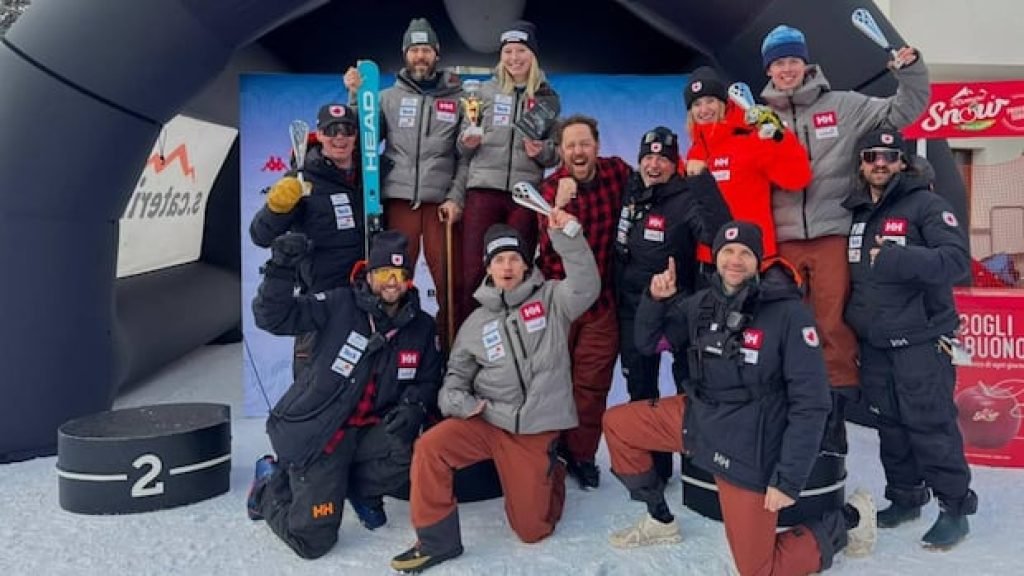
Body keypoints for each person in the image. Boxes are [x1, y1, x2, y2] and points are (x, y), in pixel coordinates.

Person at [604, 221, 877, 575]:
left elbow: (811, 402)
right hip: (699, 417)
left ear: (758, 261)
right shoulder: (701, 302)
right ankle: (658, 517)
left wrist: (789, 479)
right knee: (618, 424)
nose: (735, 260)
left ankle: (851, 519)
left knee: (758, 570)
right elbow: (650, 343)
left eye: (745, 253)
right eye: (728, 251)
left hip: (749, 441)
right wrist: (655, 300)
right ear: (716, 257)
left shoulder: (789, 314)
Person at [390, 211, 599, 573]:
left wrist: (566, 235)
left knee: (532, 531)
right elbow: (454, 378)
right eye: (499, 260)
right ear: (488, 267)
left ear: (525, 263)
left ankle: (554, 469)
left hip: (535, 428)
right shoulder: (476, 323)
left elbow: (586, 286)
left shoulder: (552, 298)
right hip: (489, 420)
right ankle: (436, 541)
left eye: (514, 259)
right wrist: (460, 402)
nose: (507, 267)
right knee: (430, 447)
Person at [759, 23, 930, 453]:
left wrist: (910, 72)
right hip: (780, 240)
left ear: (806, 63)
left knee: (832, 324)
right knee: (785, 328)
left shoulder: (845, 106)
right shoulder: (757, 118)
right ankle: (788, 415)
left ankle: (833, 422)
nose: (786, 69)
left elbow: (902, 111)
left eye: (792, 60)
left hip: (833, 231)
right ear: (769, 70)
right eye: (778, 63)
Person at [247, 230, 443, 559]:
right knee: (312, 542)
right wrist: (280, 268)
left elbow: (427, 380)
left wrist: (414, 406)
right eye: (384, 274)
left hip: (369, 432)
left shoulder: (420, 325)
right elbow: (273, 317)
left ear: (409, 280)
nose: (392, 282)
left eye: (399, 274)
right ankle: (268, 482)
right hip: (321, 435)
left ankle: (357, 490)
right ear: (369, 275)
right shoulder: (339, 303)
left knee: (420, 449)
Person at [843, 128, 977, 549]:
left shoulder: (927, 204)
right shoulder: (859, 213)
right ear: (862, 164)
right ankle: (905, 498)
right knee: (891, 426)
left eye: (889, 156)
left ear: (903, 162)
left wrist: (900, 258)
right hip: (877, 343)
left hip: (921, 340)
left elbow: (955, 260)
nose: (879, 163)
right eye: (871, 156)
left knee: (930, 424)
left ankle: (955, 508)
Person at [614, 126, 730, 480]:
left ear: (674, 163)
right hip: (633, 309)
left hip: (677, 310)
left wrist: (703, 183)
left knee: (687, 386)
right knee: (641, 390)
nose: (653, 165)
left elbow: (718, 232)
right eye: (647, 157)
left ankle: (697, 470)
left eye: (662, 159)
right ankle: (653, 469)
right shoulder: (629, 191)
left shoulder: (685, 198)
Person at [344, 17, 467, 346]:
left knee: (449, 282)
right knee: (392, 277)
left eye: (426, 49)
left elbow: (465, 156)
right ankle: (393, 346)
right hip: (398, 199)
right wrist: (356, 97)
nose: (420, 56)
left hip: (440, 202)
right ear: (404, 54)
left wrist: (456, 197)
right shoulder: (386, 97)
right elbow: (365, 137)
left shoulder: (458, 98)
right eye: (414, 50)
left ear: (437, 54)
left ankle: (451, 350)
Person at [538, 114, 631, 489]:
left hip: (603, 302)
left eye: (585, 144)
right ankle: (546, 451)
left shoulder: (617, 173)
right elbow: (545, 251)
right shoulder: (548, 191)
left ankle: (581, 454)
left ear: (597, 146)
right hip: (561, 303)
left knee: (591, 385)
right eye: (571, 145)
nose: (578, 151)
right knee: (552, 381)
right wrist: (559, 211)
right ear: (560, 151)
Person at [457, 20, 561, 325]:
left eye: (521, 51)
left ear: (533, 55)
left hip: (524, 193)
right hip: (483, 189)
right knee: (473, 270)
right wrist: (468, 140)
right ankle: (467, 339)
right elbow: (461, 147)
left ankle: (516, 337)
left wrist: (540, 151)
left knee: (519, 269)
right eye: (508, 52)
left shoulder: (546, 98)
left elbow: (556, 152)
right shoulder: (483, 92)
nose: (514, 58)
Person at [249, 102, 364, 377]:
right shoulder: (302, 179)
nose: (339, 137)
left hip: (366, 298)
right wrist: (276, 208)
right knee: (315, 379)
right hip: (321, 299)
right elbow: (260, 236)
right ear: (320, 135)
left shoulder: (371, 175)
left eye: (347, 130)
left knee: (364, 382)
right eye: (331, 130)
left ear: (355, 136)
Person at [682, 65, 811, 259]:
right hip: (710, 258)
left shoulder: (751, 138)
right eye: (697, 104)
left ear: (724, 103)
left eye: (710, 101)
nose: (704, 109)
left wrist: (780, 136)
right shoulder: (694, 152)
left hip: (751, 255)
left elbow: (797, 178)